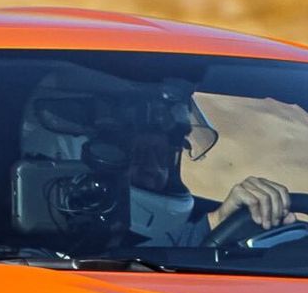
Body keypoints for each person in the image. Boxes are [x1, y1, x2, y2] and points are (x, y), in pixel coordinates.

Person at [18, 74, 294, 250]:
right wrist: (213, 223)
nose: (152, 168)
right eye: (136, 154)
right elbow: (121, 269)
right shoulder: (35, 252)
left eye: (162, 157)